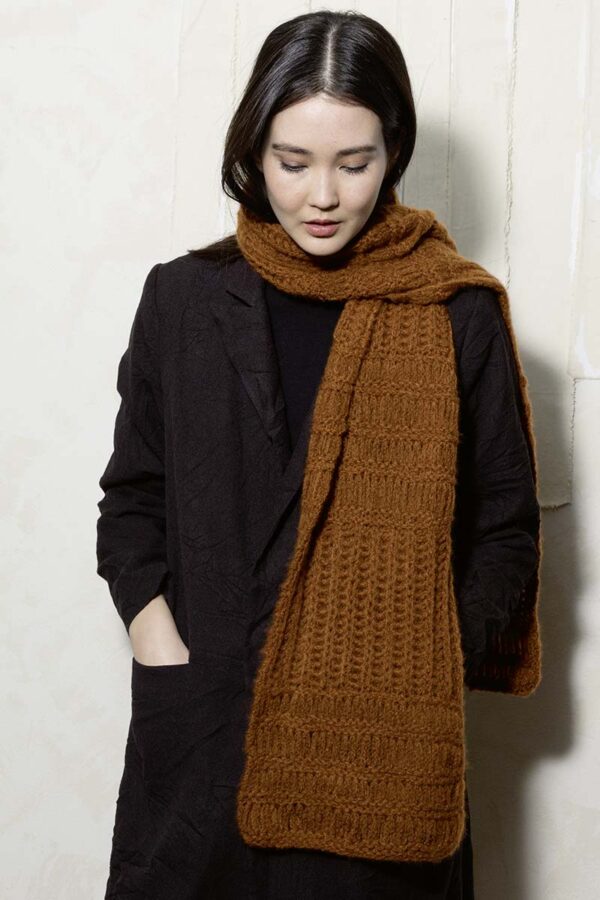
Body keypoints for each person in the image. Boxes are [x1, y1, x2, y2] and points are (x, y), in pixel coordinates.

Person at [96, 10, 542, 899]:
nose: (323, 196)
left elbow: (506, 533)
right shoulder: (183, 299)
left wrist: (414, 666)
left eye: (355, 162)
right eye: (294, 162)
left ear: (394, 151)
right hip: (205, 742)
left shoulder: (456, 313)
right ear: (254, 151)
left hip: (381, 752)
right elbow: (133, 497)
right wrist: (157, 638)